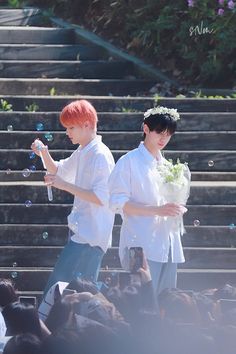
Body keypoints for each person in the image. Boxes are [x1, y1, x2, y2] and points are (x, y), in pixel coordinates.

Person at [31, 99, 115, 295]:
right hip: (83, 234)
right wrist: (44, 152)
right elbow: (60, 170)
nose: (67, 132)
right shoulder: (84, 150)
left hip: (91, 238)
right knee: (65, 293)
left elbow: (101, 198)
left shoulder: (100, 155)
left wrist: (65, 186)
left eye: (71, 127)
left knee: (68, 295)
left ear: (87, 125)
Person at [108, 106, 190, 296]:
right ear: (146, 129)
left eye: (168, 134)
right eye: (159, 132)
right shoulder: (128, 162)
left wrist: (176, 208)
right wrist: (157, 210)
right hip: (141, 243)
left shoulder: (169, 166)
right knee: (141, 304)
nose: (164, 138)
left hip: (168, 243)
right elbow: (118, 203)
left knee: (167, 303)